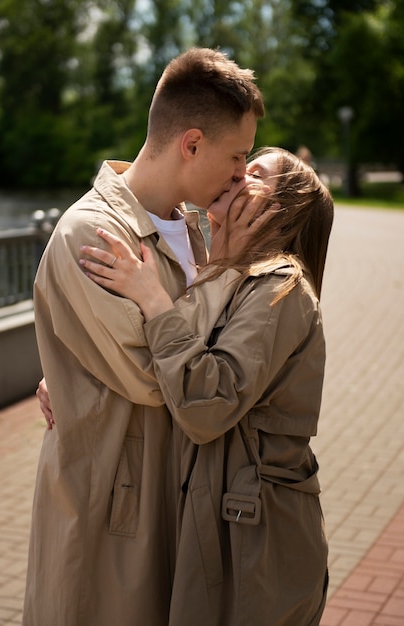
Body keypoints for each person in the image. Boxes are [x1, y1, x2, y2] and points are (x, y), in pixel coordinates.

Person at [23, 47, 265, 626]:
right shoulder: (94, 232)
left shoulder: (194, 227)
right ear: (191, 144)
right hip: (114, 509)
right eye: (237, 157)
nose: (240, 175)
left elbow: (194, 362)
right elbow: (159, 381)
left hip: (174, 495)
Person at [74, 146, 334, 625]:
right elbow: (159, 359)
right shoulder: (222, 268)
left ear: (280, 210)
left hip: (255, 540)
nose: (236, 172)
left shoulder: (281, 289)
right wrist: (76, 377)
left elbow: (206, 403)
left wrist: (154, 298)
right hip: (221, 521)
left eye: (254, 172)